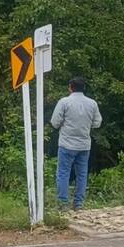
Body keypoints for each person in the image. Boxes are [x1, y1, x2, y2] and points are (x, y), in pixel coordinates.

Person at [50, 77, 102, 211]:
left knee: (63, 173)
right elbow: (97, 123)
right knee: (82, 174)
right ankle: (79, 204)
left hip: (66, 144)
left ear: (70, 87)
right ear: (83, 88)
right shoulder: (92, 103)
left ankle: (63, 204)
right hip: (84, 145)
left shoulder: (64, 102)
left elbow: (55, 122)